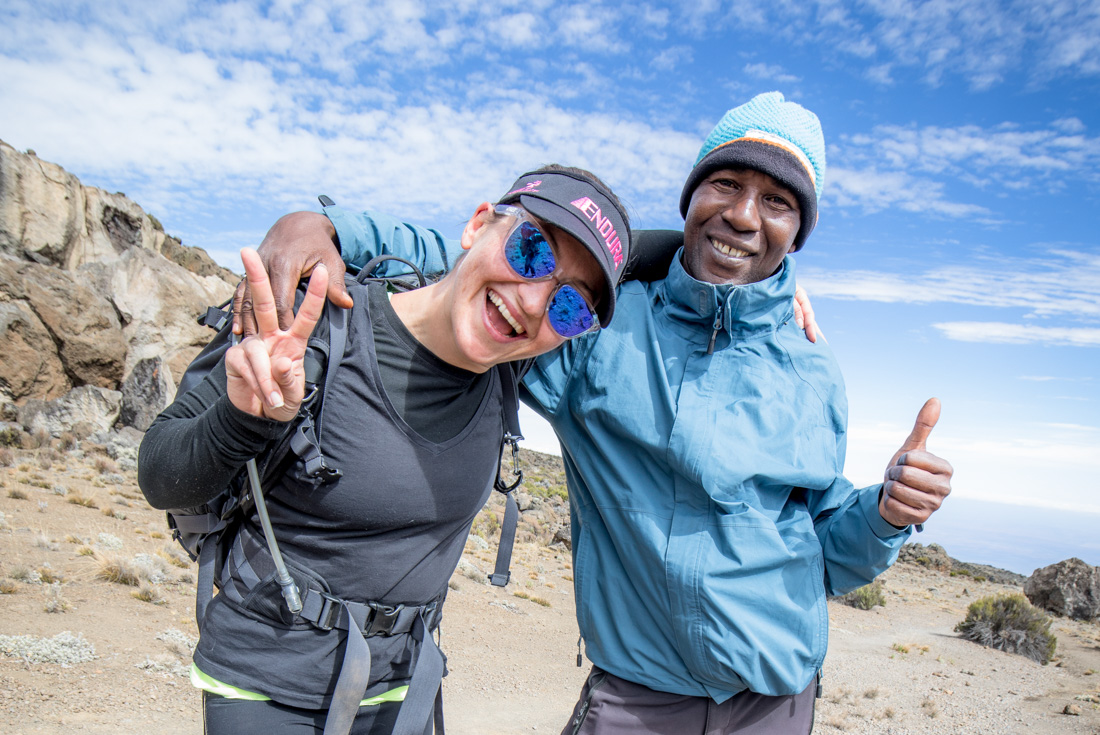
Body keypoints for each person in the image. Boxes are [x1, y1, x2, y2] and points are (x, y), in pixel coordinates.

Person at [242, 92, 953, 734]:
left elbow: (825, 552)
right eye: (727, 184)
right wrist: (333, 228)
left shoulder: (813, 366)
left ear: (798, 233)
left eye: (777, 203)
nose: (742, 214)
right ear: (691, 197)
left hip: (780, 701)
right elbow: (486, 266)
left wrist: (887, 513)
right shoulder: (594, 327)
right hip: (639, 701)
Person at [137, 166, 633, 735]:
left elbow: (687, 261)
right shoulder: (316, 324)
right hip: (268, 688)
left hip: (407, 689)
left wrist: (725, 223)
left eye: (570, 307)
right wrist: (241, 417)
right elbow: (159, 474)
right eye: (530, 251)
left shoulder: (509, 368)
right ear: (476, 226)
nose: (532, 300)